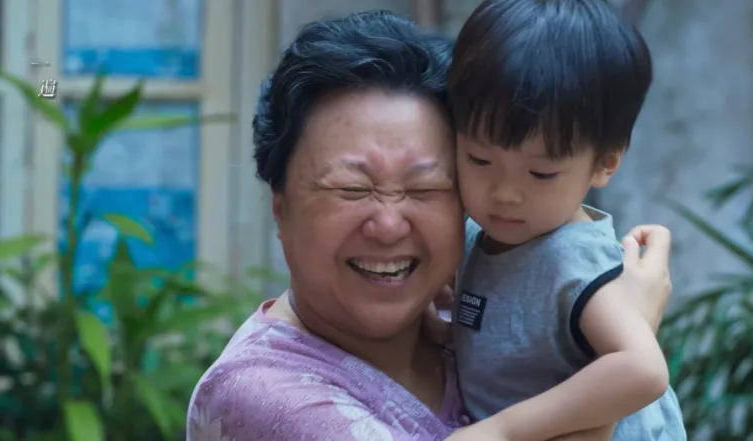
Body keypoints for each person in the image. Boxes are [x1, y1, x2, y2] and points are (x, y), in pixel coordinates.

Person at [186, 10, 676, 441]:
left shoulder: (463, 309)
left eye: (426, 189)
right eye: (352, 189)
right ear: (281, 206)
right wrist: (635, 323)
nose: (388, 226)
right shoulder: (265, 398)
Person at [439, 1, 687, 440]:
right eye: (479, 159)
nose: (505, 193)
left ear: (606, 162)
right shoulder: (480, 236)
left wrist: (502, 431)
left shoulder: (571, 262)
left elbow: (643, 369)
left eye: (541, 173)